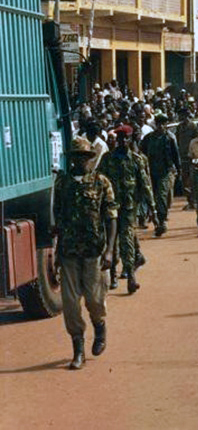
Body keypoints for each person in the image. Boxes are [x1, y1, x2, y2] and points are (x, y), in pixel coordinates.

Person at [53, 138, 119, 370]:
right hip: (69, 251)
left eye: (84, 157)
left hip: (94, 250)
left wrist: (110, 250)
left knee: (94, 299)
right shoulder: (62, 184)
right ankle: (77, 350)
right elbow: (58, 219)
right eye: (76, 157)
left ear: (90, 158)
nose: (80, 161)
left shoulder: (101, 182)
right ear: (71, 159)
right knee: (70, 304)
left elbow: (111, 217)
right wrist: (56, 253)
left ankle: (100, 327)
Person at [96, 125, 154, 292]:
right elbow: (99, 180)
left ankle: (130, 275)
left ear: (130, 140)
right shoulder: (107, 158)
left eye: (125, 139)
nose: (122, 142)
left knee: (126, 239)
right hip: (110, 206)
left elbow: (145, 184)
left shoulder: (136, 160)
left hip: (129, 206)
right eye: (120, 139)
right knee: (110, 241)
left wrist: (152, 208)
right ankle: (113, 274)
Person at [141, 113, 180, 236]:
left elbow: (175, 155)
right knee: (150, 197)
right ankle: (154, 220)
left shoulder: (169, 138)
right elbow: (142, 154)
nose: (161, 126)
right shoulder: (148, 138)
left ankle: (162, 221)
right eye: (159, 124)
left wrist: (178, 170)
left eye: (164, 124)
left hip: (165, 171)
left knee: (162, 196)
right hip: (150, 172)